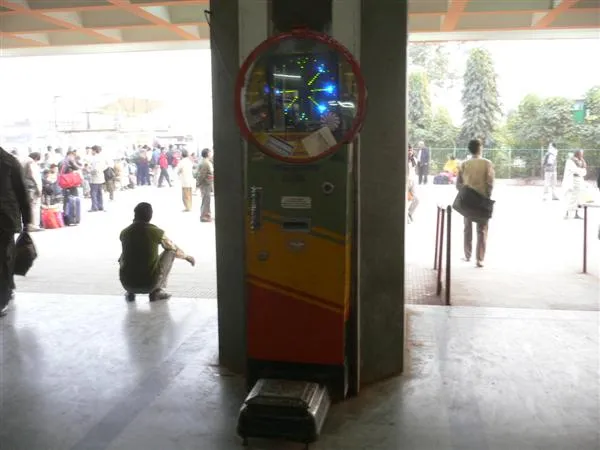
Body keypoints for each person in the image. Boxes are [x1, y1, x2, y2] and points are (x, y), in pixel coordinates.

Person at [119, 202, 195, 302]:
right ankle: (157, 291)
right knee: (171, 251)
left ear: (135, 215)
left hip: (127, 284)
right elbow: (173, 248)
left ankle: (130, 293)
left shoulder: (125, 232)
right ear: (150, 216)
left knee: (124, 255)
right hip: (149, 284)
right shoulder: (155, 232)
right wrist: (187, 257)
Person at [0, 146, 32, 317]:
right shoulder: (10, 161)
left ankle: (3, 297)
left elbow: (21, 193)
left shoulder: (9, 162)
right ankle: (6, 292)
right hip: (6, 218)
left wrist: (27, 221)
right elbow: (22, 193)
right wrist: (27, 221)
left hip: (5, 220)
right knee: (5, 258)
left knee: (4, 259)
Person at [456, 139, 495, 268]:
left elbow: (458, 184)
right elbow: (490, 183)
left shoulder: (463, 164)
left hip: (467, 199)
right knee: (482, 230)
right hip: (482, 199)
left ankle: (467, 254)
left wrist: (465, 192)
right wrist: (487, 196)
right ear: (480, 148)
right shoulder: (487, 163)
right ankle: (479, 259)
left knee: (467, 227)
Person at [563, 150, 587, 220]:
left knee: (578, 198)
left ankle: (576, 214)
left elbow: (584, 172)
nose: (582, 155)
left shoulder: (581, 161)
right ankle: (567, 214)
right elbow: (576, 170)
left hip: (579, 181)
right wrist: (582, 170)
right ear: (577, 154)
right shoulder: (570, 161)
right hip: (572, 181)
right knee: (571, 198)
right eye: (581, 153)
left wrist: (582, 170)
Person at [23, 152, 43, 231]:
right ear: (36, 158)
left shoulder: (24, 161)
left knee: (29, 206)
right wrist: (39, 188)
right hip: (32, 187)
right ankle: (34, 225)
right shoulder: (31, 162)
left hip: (26, 186)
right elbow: (35, 176)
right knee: (34, 206)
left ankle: (28, 224)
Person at [196, 148, 214, 222]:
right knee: (205, 200)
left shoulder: (207, 161)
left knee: (207, 200)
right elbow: (202, 175)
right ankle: (204, 216)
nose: (211, 154)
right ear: (207, 154)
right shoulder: (205, 163)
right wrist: (198, 184)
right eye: (210, 152)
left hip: (207, 183)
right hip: (205, 184)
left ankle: (207, 215)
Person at [89, 145, 107, 212]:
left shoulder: (95, 158)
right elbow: (105, 166)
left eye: (92, 150)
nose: (91, 152)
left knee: (93, 193)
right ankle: (100, 206)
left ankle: (94, 207)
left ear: (94, 150)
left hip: (95, 177)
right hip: (101, 177)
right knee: (99, 192)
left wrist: (89, 171)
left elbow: (95, 169)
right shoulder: (102, 157)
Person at [407, 145, 419, 223]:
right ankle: (406, 216)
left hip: (412, 181)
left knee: (416, 200)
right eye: (408, 150)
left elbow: (414, 166)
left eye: (411, 150)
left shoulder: (414, 159)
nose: (410, 152)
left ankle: (409, 213)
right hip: (405, 182)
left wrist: (410, 158)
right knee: (405, 200)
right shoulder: (402, 159)